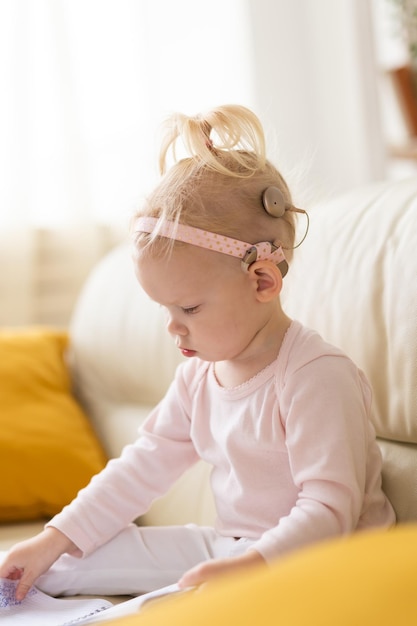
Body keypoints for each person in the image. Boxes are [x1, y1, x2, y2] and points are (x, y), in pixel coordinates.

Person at [0, 104, 395, 601]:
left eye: (188, 307)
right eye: (164, 308)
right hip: (231, 549)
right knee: (53, 564)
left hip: (323, 564)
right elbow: (143, 466)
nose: (172, 326)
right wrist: (54, 538)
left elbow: (329, 509)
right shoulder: (198, 377)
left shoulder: (315, 376)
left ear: (263, 281)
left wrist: (252, 566)